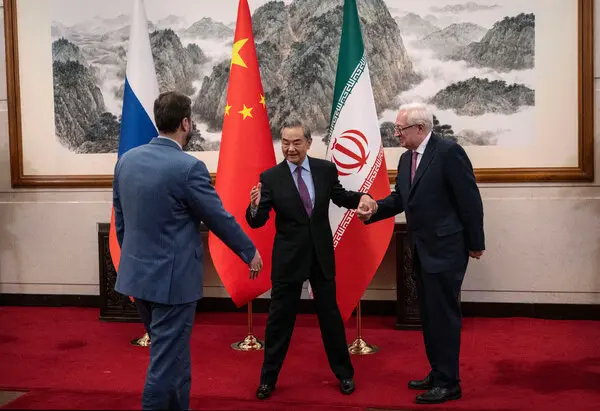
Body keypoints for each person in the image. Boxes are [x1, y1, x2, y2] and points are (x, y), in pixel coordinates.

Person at [113, 91, 263, 410]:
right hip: (172, 284)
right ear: (186, 123)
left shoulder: (126, 161)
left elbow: (121, 221)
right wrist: (249, 250)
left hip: (137, 278)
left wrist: (136, 262)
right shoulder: (188, 167)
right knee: (165, 364)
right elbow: (218, 218)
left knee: (173, 355)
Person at [359, 102, 485, 405]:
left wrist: (476, 242)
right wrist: (374, 208)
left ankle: (449, 382)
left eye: (400, 129)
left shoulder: (448, 153)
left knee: (443, 316)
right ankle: (438, 371)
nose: (396, 134)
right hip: (421, 249)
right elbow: (401, 199)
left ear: (420, 128)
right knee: (428, 316)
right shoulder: (406, 160)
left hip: (446, 249)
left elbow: (470, 200)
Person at [245, 118, 377, 400]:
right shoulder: (270, 177)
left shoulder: (325, 170)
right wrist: (253, 206)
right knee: (279, 322)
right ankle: (268, 379)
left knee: (331, 318)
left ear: (308, 143)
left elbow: (341, 197)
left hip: (320, 255)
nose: (290, 148)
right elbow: (257, 222)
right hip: (288, 259)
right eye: (285, 142)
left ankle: (344, 374)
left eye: (296, 142)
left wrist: (363, 199)